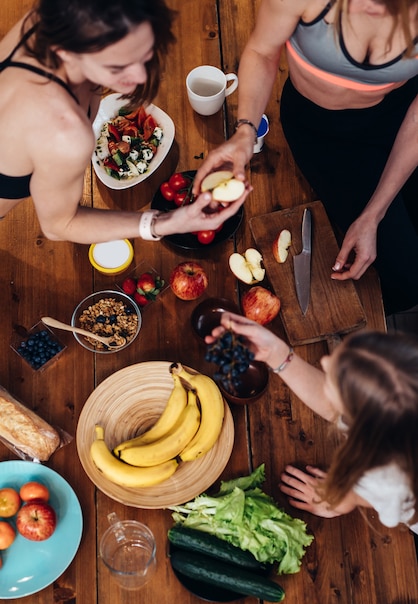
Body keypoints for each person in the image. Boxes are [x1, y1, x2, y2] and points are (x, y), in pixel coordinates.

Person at [193, 0, 418, 316]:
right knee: (407, 277)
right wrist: (245, 131)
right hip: (324, 134)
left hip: (404, 123)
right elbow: (261, 51)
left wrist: (375, 214)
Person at [0, 0, 250, 243]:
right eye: (118, 67)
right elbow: (59, 224)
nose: (141, 75)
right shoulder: (64, 131)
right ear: (66, 52)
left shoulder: (63, 16)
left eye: (145, 53)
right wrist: (165, 223)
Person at [206, 311, 418, 534]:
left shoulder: (388, 482)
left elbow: (386, 495)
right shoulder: (396, 418)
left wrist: (346, 498)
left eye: (334, 379)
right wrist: (275, 353)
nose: (325, 361)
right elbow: (336, 406)